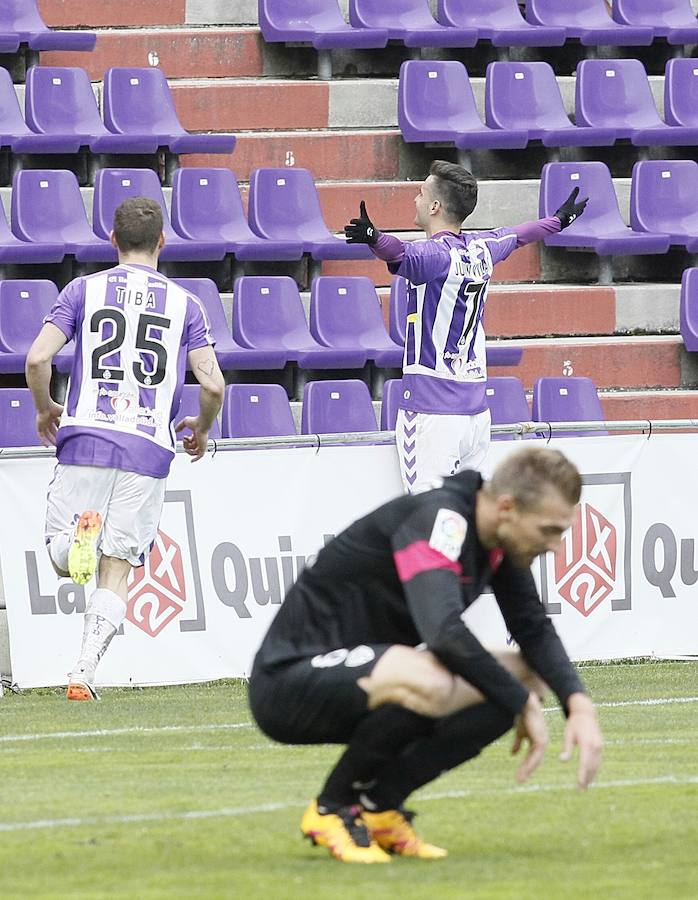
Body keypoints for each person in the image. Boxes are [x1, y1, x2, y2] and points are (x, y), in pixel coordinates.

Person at [248, 446, 602, 864]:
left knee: (527, 675)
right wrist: (519, 703)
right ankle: (331, 808)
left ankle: (381, 806)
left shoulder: (496, 535)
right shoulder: (441, 519)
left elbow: (533, 628)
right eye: (550, 530)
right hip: (286, 682)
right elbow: (443, 633)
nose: (556, 546)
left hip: (369, 672)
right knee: (438, 681)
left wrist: (577, 704)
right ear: (507, 507)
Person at [25, 197, 225, 701]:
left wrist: (47, 407)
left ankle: (74, 548)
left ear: (112, 240)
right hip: (147, 447)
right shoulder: (187, 304)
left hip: (87, 433)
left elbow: (36, 358)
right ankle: (83, 670)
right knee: (118, 565)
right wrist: (200, 428)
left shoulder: (82, 290)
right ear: (162, 241)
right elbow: (214, 386)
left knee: (61, 556)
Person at [344, 160, 588, 493]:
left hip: (434, 413)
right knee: (463, 519)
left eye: (420, 193)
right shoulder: (483, 248)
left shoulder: (434, 256)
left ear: (434, 206)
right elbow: (520, 235)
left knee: (431, 519)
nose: (415, 199)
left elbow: (401, 254)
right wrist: (558, 221)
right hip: (475, 414)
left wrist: (373, 237)